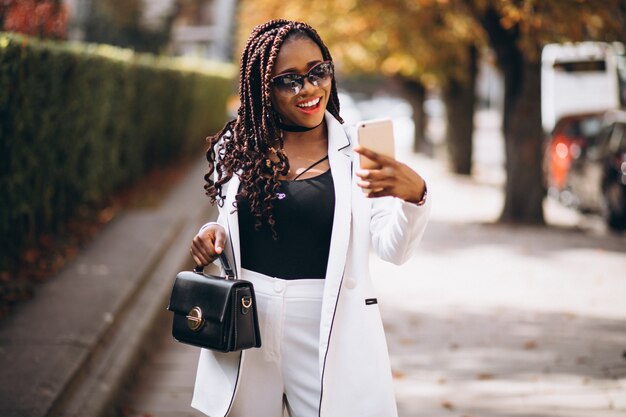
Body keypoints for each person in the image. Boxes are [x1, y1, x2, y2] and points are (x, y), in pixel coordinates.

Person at [189, 19, 430, 417]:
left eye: (318, 72)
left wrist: (414, 197)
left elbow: (394, 249)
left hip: (328, 327)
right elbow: (229, 220)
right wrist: (212, 235)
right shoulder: (238, 147)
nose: (310, 89)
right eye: (290, 80)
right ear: (263, 88)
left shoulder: (359, 151)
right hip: (248, 323)